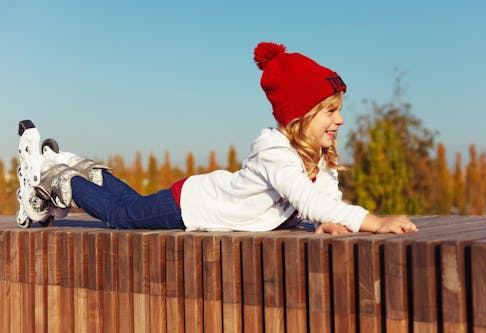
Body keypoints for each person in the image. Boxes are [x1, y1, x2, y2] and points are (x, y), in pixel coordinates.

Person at [35, 42, 418, 235]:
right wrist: (375, 223)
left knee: (132, 204)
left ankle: (93, 174)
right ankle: (63, 181)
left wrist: (338, 221)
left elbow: (324, 199)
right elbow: (305, 199)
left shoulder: (317, 151)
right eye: (331, 111)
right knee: (122, 217)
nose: (341, 120)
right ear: (301, 116)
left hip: (200, 202)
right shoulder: (275, 153)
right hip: (190, 206)